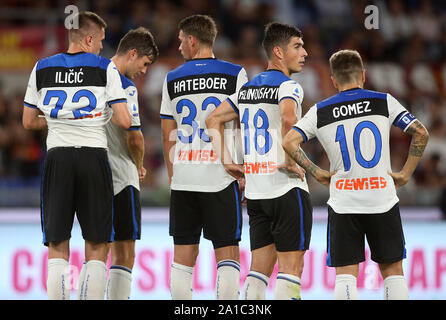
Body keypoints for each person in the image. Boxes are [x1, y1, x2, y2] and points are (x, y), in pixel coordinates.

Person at [282, 49, 429, 300]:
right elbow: (421, 133)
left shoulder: (321, 110)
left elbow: (289, 142)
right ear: (363, 74)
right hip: (382, 198)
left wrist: (317, 173)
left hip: (344, 203)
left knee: (346, 275)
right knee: (393, 271)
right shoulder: (383, 101)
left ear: (333, 80)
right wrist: (405, 173)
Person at [22, 11, 131, 300]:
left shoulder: (42, 68)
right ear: (89, 39)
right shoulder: (104, 67)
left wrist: (60, 120)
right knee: (96, 246)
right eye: (100, 42)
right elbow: (124, 120)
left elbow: (28, 121)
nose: (101, 48)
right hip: (93, 156)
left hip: (58, 158)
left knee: (58, 245)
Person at [206, 22, 311, 300]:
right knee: (291, 269)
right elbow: (289, 118)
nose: (305, 53)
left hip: (256, 194)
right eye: (298, 47)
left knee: (259, 271)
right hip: (286, 190)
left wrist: (228, 162)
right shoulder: (289, 86)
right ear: (278, 51)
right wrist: (292, 159)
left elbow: (212, 119)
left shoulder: (246, 90)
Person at [160, 14, 248, 300]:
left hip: (184, 177)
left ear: (193, 40)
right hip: (222, 176)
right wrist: (247, 171)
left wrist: (174, 176)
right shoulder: (235, 74)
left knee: (183, 259)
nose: (179, 45)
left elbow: (166, 133)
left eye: (181, 39)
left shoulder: (171, 77)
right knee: (227, 254)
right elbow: (243, 126)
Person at [75, 27, 159, 300]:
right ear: (132, 54)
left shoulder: (90, 78)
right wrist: (140, 164)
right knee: (124, 251)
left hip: (88, 175)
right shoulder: (123, 86)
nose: (144, 71)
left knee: (95, 249)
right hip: (121, 176)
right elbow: (134, 137)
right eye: (145, 64)